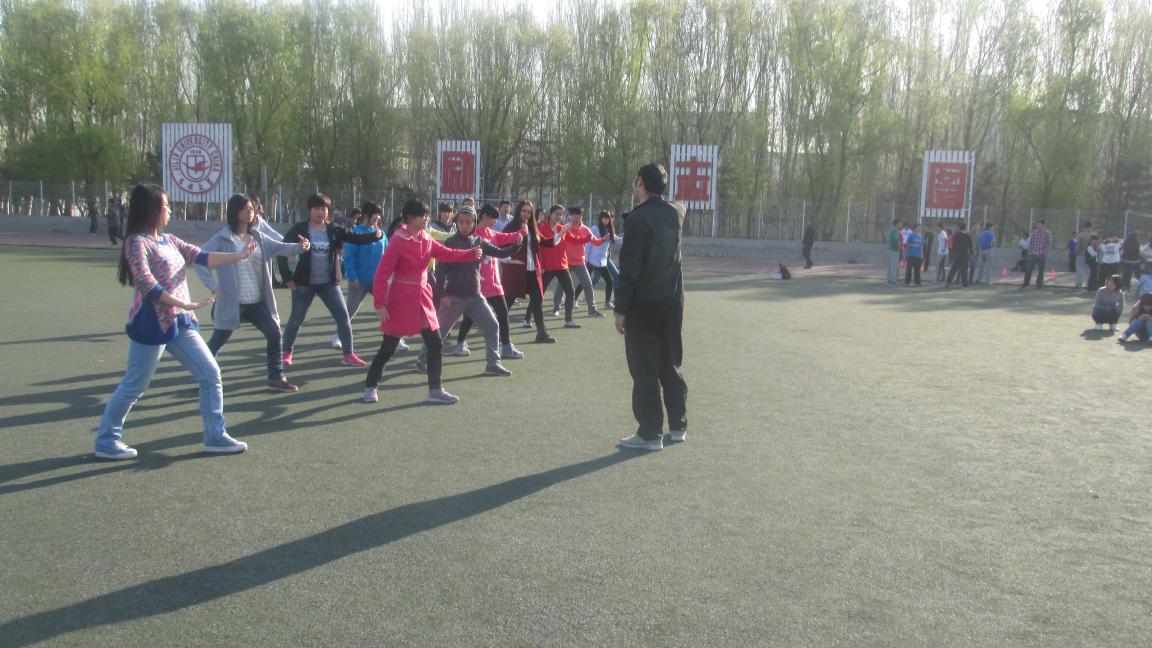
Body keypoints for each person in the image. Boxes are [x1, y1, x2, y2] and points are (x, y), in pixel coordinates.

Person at [94, 184, 256, 460]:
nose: (169, 210)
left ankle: (215, 436)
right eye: (166, 206)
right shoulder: (137, 242)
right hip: (152, 324)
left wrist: (238, 256)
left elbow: (201, 257)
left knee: (210, 373)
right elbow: (145, 282)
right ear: (153, 210)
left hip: (181, 323)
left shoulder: (169, 240)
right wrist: (182, 303)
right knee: (135, 385)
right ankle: (106, 440)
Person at [362, 200, 482, 404]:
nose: (427, 218)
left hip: (423, 298)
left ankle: (435, 390)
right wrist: (379, 303)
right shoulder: (397, 241)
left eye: (427, 215)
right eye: (423, 215)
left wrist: (470, 253)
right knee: (388, 347)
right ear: (410, 218)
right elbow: (382, 274)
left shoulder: (426, 238)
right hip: (401, 299)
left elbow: (447, 253)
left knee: (435, 342)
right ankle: (371, 385)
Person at [195, 194, 310, 392]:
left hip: (256, 302)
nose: (251, 212)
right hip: (232, 302)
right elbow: (200, 259)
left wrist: (301, 247)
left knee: (274, 334)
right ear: (235, 212)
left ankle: (276, 378)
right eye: (246, 208)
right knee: (217, 341)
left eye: (252, 208)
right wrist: (213, 287)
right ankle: (203, 377)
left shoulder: (258, 237)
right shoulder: (223, 238)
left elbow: (282, 248)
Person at [614, 164, 688, 452]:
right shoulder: (677, 211)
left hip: (644, 304)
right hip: (672, 302)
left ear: (641, 183)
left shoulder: (637, 219)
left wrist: (621, 309)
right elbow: (678, 206)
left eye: (636, 182)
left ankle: (650, 433)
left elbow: (630, 268)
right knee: (670, 362)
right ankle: (678, 425)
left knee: (644, 368)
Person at [276, 193, 383, 367]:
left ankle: (348, 354)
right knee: (296, 319)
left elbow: (355, 238)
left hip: (329, 284)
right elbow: (282, 250)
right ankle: (286, 352)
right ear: (310, 210)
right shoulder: (299, 229)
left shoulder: (333, 229)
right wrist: (287, 277)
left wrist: (374, 236)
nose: (321, 212)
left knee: (343, 317)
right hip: (304, 283)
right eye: (317, 208)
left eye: (324, 209)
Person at [417, 205, 522, 375]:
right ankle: (422, 360)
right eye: (461, 222)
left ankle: (492, 364)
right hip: (454, 298)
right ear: (457, 222)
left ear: (474, 223)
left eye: (468, 222)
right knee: (439, 332)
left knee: (492, 326)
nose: (464, 225)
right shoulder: (450, 242)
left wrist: (516, 245)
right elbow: (440, 272)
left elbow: (500, 253)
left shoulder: (478, 241)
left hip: (475, 297)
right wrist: (442, 295)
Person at [455, 204, 528, 360]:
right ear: (484, 217)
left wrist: (521, 233)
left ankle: (506, 347)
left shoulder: (491, 233)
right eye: (493, 218)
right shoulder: (475, 236)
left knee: (503, 313)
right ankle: (459, 342)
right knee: (470, 316)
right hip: (479, 284)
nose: (495, 222)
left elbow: (506, 238)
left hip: (495, 283)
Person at [501, 200, 556, 343]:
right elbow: (501, 245)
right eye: (524, 211)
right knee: (508, 301)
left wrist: (560, 234)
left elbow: (544, 241)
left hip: (533, 270)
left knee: (537, 301)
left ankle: (541, 333)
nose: (526, 214)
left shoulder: (533, 227)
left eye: (529, 212)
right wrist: (509, 260)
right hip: (516, 271)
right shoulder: (511, 227)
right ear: (519, 211)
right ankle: (499, 332)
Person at [340, 201, 387, 346]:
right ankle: (338, 335)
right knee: (350, 310)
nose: (378, 218)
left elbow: (387, 254)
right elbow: (349, 257)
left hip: (378, 281)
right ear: (366, 215)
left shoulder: (381, 234)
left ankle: (393, 338)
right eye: (375, 214)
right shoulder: (356, 233)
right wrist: (353, 277)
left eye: (379, 215)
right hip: (359, 281)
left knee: (388, 308)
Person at [551, 206, 606, 318]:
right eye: (573, 214)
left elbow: (595, 241)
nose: (575, 216)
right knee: (561, 285)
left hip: (580, 262)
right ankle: (556, 308)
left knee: (588, 284)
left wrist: (603, 240)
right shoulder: (566, 227)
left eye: (578, 214)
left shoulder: (586, 229)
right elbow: (561, 240)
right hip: (565, 262)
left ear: (581, 216)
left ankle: (592, 310)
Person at [539, 205, 581, 328]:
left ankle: (568, 320)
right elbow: (542, 246)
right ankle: (527, 318)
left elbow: (574, 239)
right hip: (549, 267)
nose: (559, 216)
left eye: (561, 214)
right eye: (556, 213)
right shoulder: (542, 228)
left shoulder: (560, 228)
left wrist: (590, 239)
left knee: (570, 292)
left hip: (562, 265)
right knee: (539, 293)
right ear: (550, 214)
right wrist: (541, 265)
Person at [579, 210, 620, 309]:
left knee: (609, 280)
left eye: (608, 218)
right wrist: (586, 258)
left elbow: (618, 240)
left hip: (603, 261)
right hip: (592, 260)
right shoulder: (595, 228)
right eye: (604, 218)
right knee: (587, 280)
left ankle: (608, 302)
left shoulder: (610, 230)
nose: (606, 220)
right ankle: (575, 298)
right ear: (600, 218)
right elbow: (588, 244)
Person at [1021, 219, 1052, 288]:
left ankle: (1039, 285)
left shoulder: (1048, 233)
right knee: (1029, 268)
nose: (1038, 226)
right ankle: (1025, 283)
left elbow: (1048, 243)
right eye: (1038, 225)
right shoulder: (1034, 232)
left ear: (1043, 225)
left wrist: (1045, 252)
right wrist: (1030, 251)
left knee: (1041, 270)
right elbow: (1031, 242)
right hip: (1033, 254)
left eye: (1040, 225)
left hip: (1042, 254)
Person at [945, 222, 972, 287]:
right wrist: (971, 254)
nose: (956, 228)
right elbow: (970, 246)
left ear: (959, 227)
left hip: (957, 255)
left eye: (957, 227)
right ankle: (964, 284)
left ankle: (948, 282)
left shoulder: (955, 236)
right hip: (965, 255)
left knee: (953, 269)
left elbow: (953, 247)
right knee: (964, 270)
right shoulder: (967, 236)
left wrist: (953, 254)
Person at [1074, 222, 1095, 288]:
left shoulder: (1081, 235)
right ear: (1091, 227)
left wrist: (1077, 254)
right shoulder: (1094, 235)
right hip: (1091, 255)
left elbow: (1078, 246)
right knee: (1089, 270)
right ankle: (1089, 283)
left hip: (1081, 254)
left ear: (1085, 227)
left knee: (1080, 269)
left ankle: (1079, 284)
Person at [886, 219, 901, 285]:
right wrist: (899, 245)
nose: (901, 225)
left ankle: (889, 279)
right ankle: (893, 280)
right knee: (894, 266)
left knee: (891, 265)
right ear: (897, 224)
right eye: (900, 223)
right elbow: (896, 240)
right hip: (894, 250)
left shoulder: (892, 230)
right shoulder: (895, 231)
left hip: (891, 249)